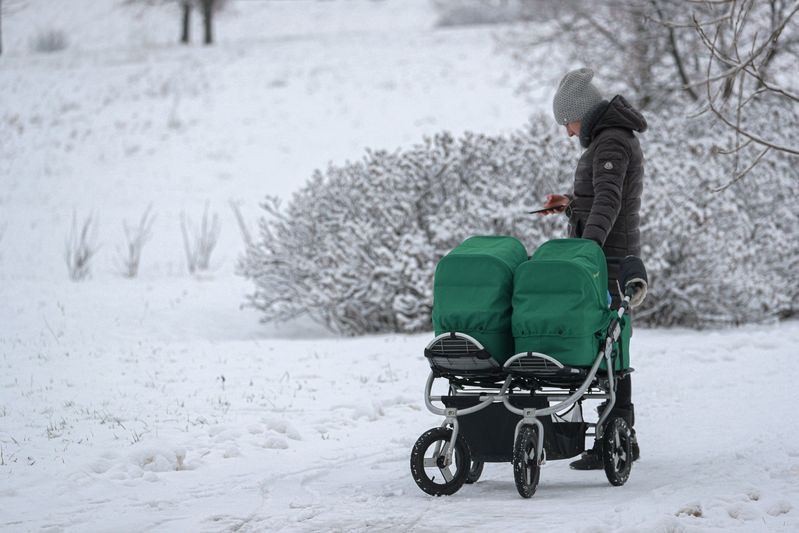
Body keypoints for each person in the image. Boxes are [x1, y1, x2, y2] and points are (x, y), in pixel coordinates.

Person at [541, 67, 646, 470]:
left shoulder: (612, 142)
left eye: (566, 122)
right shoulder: (608, 140)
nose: (568, 132)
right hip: (606, 256)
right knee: (607, 350)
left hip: (610, 262)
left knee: (611, 349)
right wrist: (570, 203)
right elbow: (599, 198)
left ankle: (617, 440)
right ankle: (615, 437)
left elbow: (609, 202)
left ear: (580, 113)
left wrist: (585, 252)